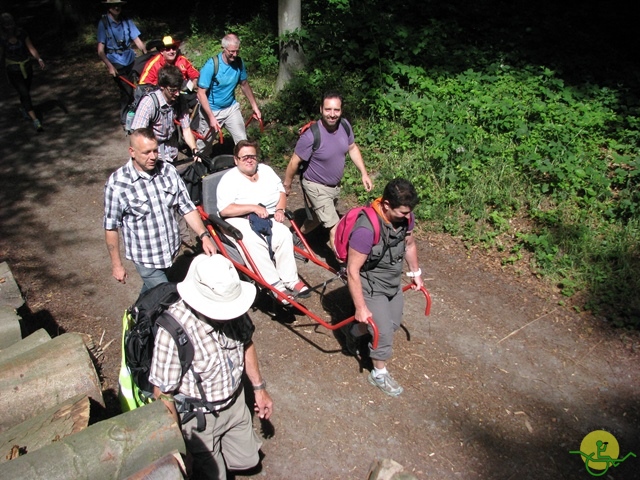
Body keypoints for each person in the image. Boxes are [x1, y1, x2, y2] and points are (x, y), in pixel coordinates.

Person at [150, 254, 272, 480]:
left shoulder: (232, 306)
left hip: (236, 403)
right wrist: (176, 444)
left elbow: (247, 343)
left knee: (249, 460)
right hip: (199, 419)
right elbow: (163, 394)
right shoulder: (173, 330)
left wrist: (258, 388)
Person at [103, 127, 216, 293]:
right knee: (170, 298)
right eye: (146, 152)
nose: (153, 157)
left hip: (170, 252)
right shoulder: (118, 184)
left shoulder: (168, 171)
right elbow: (111, 227)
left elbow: (186, 207)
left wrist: (204, 236)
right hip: (146, 259)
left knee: (153, 295)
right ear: (132, 152)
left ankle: (136, 315)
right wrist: (116, 265)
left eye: (155, 150)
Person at [345, 178, 423, 397]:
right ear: (387, 205)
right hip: (370, 284)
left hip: (392, 282)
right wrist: (360, 307)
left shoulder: (405, 218)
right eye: (402, 213)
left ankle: (353, 332)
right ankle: (379, 374)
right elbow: (353, 270)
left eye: (409, 213)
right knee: (384, 332)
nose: (408, 218)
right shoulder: (366, 229)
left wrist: (416, 273)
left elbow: (409, 244)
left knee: (393, 323)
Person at [217, 140, 309, 303]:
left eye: (252, 156)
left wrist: (280, 209)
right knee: (253, 240)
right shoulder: (229, 179)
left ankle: (291, 280)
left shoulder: (266, 171)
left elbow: (281, 191)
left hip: (268, 217)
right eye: (244, 157)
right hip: (238, 219)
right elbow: (225, 210)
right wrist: (252, 207)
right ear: (236, 160)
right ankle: (275, 286)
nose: (249, 160)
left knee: (284, 235)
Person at [283, 92, 373, 252]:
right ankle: (345, 266)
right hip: (316, 186)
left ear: (341, 110)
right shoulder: (311, 136)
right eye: (328, 109)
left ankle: (294, 237)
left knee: (318, 217)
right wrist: (287, 185)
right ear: (321, 109)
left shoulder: (345, 126)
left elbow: (352, 148)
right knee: (335, 227)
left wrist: (364, 173)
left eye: (336, 110)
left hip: (334, 186)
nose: (332, 114)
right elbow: (294, 162)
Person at [196, 33, 261, 145]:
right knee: (203, 146)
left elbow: (244, 84)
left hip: (231, 108)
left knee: (242, 141)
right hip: (212, 110)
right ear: (224, 49)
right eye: (231, 51)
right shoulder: (212, 65)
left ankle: (242, 160)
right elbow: (200, 94)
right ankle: (199, 160)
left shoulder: (239, 63)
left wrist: (255, 107)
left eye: (237, 51)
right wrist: (211, 117)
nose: (235, 55)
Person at [130, 64, 198, 163]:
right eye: (172, 90)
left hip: (172, 150)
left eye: (179, 89)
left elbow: (186, 129)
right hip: (153, 153)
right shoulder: (149, 103)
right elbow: (137, 135)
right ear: (162, 87)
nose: (177, 93)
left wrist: (194, 150)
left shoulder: (180, 100)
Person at [97, 0, 146, 127]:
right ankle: (125, 118)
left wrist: (146, 54)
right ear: (108, 7)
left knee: (141, 86)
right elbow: (100, 51)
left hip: (129, 58)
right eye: (113, 5)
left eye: (118, 5)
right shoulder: (103, 24)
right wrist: (110, 66)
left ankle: (137, 114)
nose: (116, 7)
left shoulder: (126, 21)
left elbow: (137, 40)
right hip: (115, 61)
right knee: (126, 90)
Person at [0, 12, 46, 132]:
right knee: (25, 93)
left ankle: (24, 108)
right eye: (6, 25)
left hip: (26, 66)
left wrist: (38, 58)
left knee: (25, 91)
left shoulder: (22, 34)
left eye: (10, 24)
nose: (9, 27)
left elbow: (31, 47)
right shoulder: (2, 39)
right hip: (13, 69)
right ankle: (36, 120)